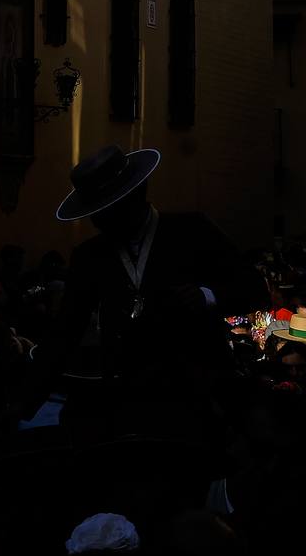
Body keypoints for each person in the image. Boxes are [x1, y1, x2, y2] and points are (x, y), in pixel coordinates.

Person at [34, 145, 265, 427]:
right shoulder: (90, 256)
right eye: (94, 212)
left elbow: (254, 288)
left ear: (134, 195)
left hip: (195, 394)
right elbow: (65, 331)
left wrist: (206, 296)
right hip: (126, 398)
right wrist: (24, 403)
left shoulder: (192, 231)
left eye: (106, 211)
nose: (97, 222)